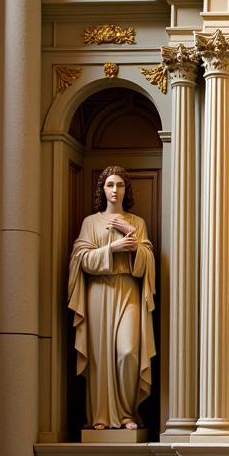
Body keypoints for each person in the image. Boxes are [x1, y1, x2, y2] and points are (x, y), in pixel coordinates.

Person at [68, 166, 156, 430]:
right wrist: (112, 248)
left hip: (127, 290)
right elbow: (80, 260)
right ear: (102, 190)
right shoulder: (90, 222)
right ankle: (100, 416)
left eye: (119, 185)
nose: (115, 190)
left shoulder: (137, 222)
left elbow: (148, 262)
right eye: (110, 185)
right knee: (99, 355)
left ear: (126, 189)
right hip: (98, 293)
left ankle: (128, 413)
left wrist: (133, 237)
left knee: (127, 352)